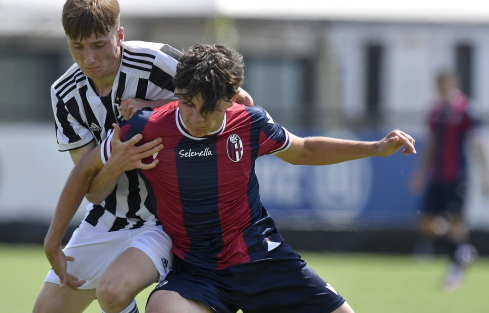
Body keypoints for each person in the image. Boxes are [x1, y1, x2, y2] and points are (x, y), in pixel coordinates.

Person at [55, 44, 417, 312]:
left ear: (231, 101)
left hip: (261, 258)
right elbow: (85, 169)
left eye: (208, 109)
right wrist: (53, 238)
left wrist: (373, 147)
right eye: (187, 104)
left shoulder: (251, 123)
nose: (195, 117)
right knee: (160, 308)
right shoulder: (147, 127)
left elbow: (304, 150)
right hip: (197, 270)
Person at [34, 0, 253, 313]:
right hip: (114, 215)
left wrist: (150, 106)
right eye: (77, 47)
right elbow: (92, 190)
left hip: (176, 218)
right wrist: (116, 165)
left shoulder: (155, 62)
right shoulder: (64, 93)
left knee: (114, 291)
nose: (88, 59)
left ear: (119, 34)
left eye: (98, 45)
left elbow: (238, 100)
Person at [408, 70, 489, 292]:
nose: (442, 88)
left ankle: (455, 269)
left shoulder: (466, 108)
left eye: (445, 83)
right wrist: (420, 173)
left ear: (454, 82)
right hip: (437, 175)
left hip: (457, 174)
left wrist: (486, 176)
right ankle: (461, 252)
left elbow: (477, 143)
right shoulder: (435, 111)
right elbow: (431, 144)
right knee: (426, 222)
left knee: (456, 223)